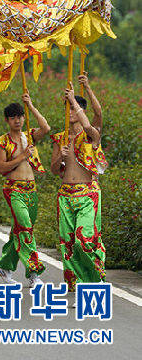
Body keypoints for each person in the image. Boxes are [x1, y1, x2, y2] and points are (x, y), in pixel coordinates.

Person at [51, 87, 107, 290]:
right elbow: (54, 169)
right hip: (65, 194)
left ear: (81, 110)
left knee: (83, 239)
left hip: (87, 193)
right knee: (67, 242)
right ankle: (75, 282)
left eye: (73, 109)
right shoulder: (60, 139)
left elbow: (97, 114)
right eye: (67, 109)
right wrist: (61, 157)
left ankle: (91, 278)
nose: (70, 112)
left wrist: (75, 97)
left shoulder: (91, 135)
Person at [0, 94, 51, 288]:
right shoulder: (1, 141)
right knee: (25, 227)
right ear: (7, 120)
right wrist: (22, 156)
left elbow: (46, 128)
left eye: (20, 116)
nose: (17, 120)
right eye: (13, 117)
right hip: (14, 189)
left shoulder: (30, 135)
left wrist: (31, 105)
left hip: (31, 190)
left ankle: (5, 266)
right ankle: (34, 272)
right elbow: (1, 168)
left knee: (20, 230)